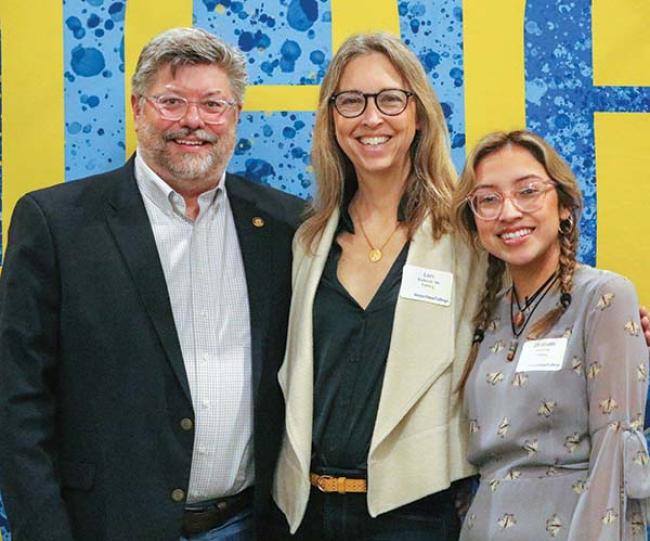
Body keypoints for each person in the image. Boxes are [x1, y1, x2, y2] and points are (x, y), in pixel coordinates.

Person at [0, 27, 303, 541]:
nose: (193, 120)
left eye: (213, 104)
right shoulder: (57, 223)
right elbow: (17, 398)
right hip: (104, 528)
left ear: (235, 117)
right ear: (138, 108)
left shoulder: (285, 226)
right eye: (171, 101)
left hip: (246, 526)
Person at [272, 32, 484, 540]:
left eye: (391, 99)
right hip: (308, 513)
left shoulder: (466, 237)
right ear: (331, 120)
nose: (371, 118)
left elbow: (533, 306)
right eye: (351, 101)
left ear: (419, 113)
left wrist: (606, 318)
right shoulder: (306, 243)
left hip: (417, 512)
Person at [452, 130, 650, 540]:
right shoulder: (482, 315)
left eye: (527, 191)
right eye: (488, 199)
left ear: (563, 206)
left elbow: (616, 457)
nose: (509, 212)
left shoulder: (604, 298)